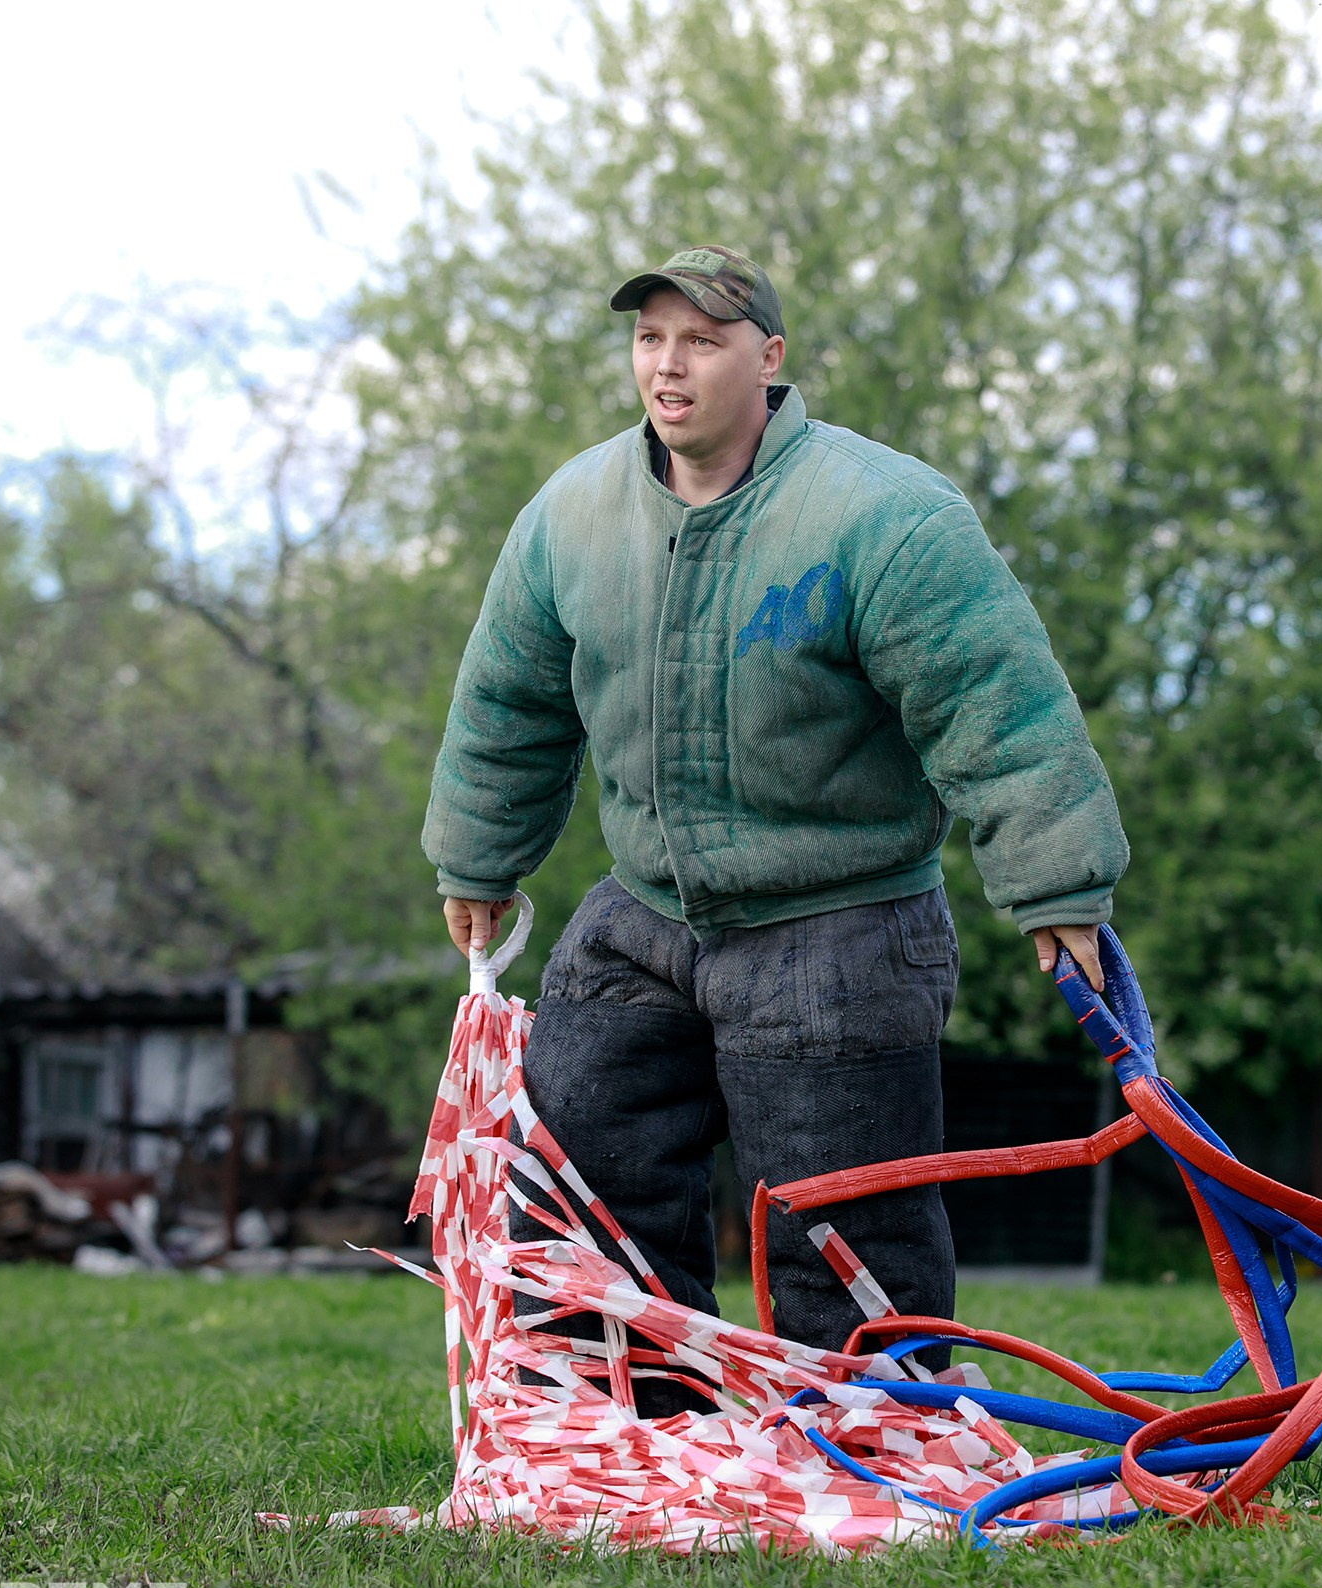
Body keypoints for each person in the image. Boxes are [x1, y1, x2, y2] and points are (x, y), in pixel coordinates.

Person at [423, 244, 1127, 1390]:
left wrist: (1057, 884)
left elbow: (995, 704)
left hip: (841, 924)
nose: (669, 364)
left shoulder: (880, 515)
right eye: (650, 338)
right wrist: (476, 857)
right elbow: (509, 700)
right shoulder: (571, 515)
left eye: (701, 340)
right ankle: (626, 1431)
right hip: (645, 912)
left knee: (842, 1237)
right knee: (578, 1173)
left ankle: (872, 1450)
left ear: (769, 358)